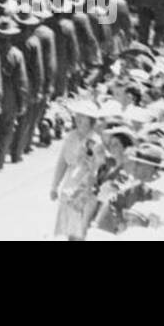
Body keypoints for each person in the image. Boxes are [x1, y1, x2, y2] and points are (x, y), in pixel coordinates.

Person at [50, 98, 104, 240]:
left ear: (91, 119)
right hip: (69, 185)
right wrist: (54, 186)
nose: (78, 119)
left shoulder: (96, 141)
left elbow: (98, 168)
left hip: (85, 187)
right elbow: (62, 162)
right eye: (77, 115)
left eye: (83, 116)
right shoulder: (71, 136)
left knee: (80, 229)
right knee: (70, 230)